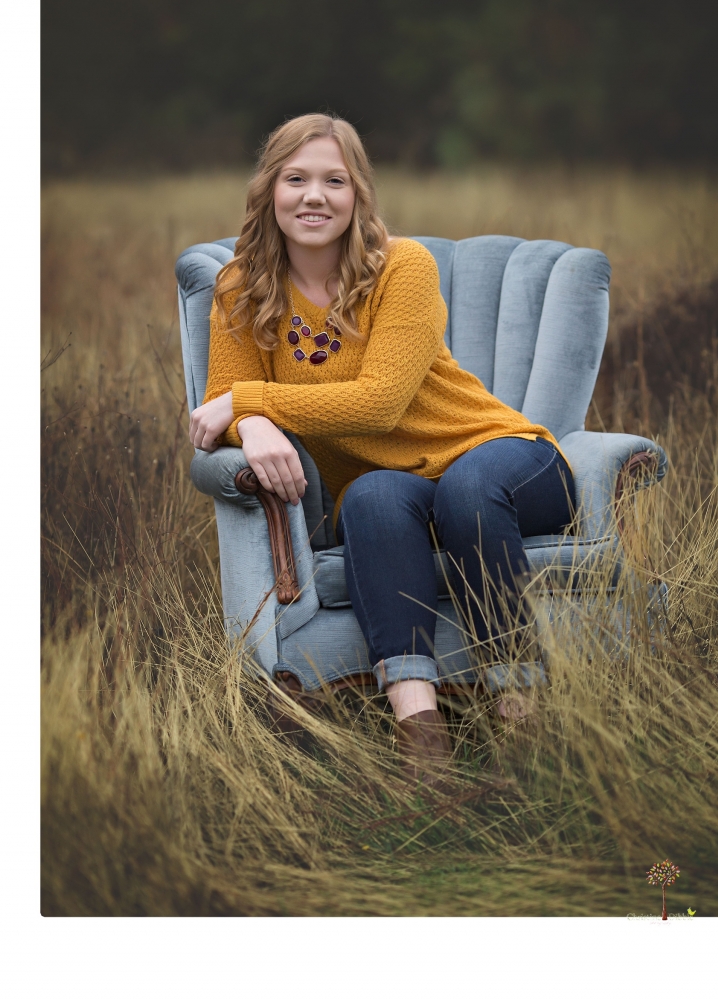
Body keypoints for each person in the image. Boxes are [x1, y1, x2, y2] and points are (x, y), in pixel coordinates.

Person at [189, 113, 575, 779]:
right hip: (399, 488)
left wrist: (252, 403)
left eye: (334, 180)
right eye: (296, 179)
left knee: (466, 489)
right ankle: (423, 744)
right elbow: (218, 412)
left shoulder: (402, 266)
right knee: (366, 497)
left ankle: (521, 718)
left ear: (358, 193)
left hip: (505, 458)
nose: (315, 196)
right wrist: (248, 422)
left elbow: (378, 401)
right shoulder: (241, 288)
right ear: (269, 192)